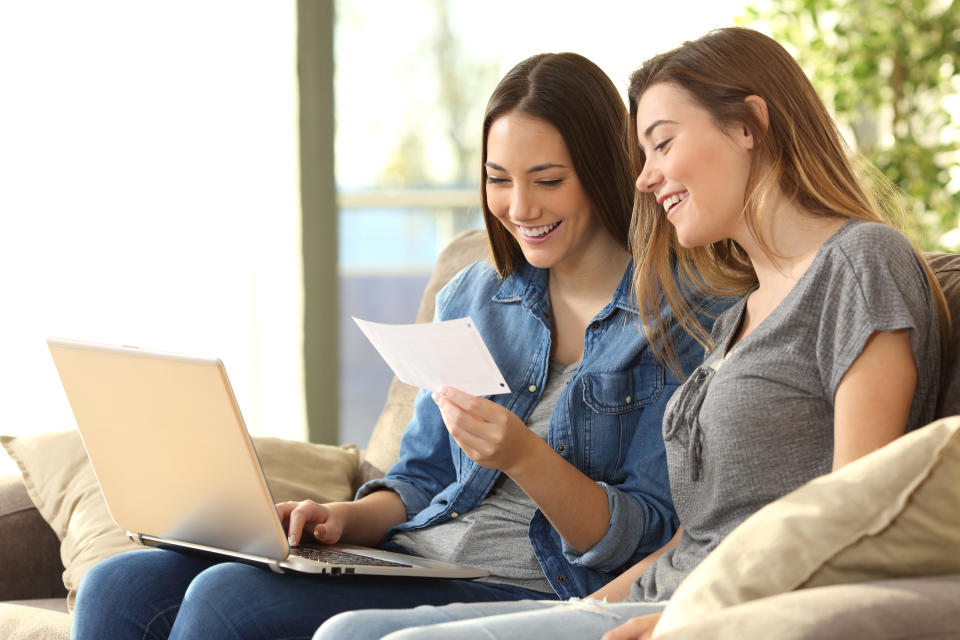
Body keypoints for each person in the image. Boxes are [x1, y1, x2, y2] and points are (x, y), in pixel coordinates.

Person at [312, 26, 949, 640]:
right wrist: (580, 613)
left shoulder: (861, 262)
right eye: (642, 155)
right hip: (651, 594)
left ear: (749, 125)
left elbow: (858, 515)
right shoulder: (738, 315)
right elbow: (692, 538)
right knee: (340, 628)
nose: (643, 177)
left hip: (714, 610)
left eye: (663, 144)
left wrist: (694, 621)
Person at [71, 52, 710, 640]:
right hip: (419, 560)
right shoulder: (477, 295)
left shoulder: (682, 318)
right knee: (119, 583)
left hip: (532, 586)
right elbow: (423, 474)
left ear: (603, 171)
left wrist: (524, 456)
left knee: (227, 600)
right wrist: (343, 520)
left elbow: (641, 537)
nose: (518, 208)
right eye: (498, 179)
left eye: (547, 180)